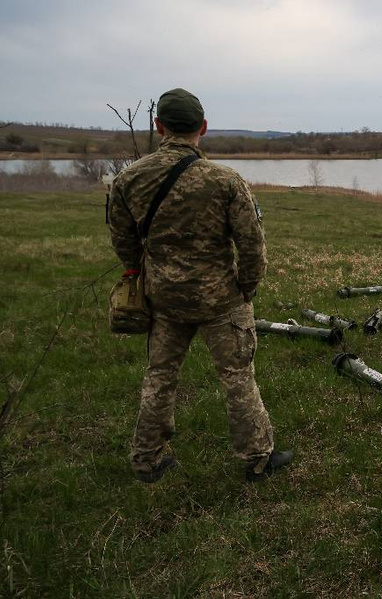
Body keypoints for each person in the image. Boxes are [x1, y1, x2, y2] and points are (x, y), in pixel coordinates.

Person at [108, 88, 292, 483]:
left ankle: (146, 460)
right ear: (203, 128)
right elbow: (253, 246)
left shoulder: (129, 179)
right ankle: (258, 458)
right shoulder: (225, 180)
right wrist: (247, 287)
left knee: (160, 375)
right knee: (237, 376)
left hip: (163, 299)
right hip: (221, 300)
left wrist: (138, 273)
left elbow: (123, 240)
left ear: (159, 127)